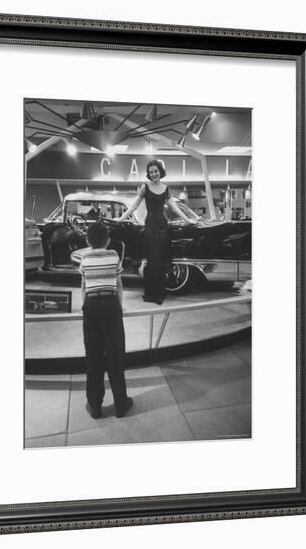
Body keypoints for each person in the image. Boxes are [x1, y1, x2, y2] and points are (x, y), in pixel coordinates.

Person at [117, 159, 192, 304]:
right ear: (148, 174)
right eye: (151, 172)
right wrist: (120, 219)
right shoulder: (144, 187)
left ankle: (160, 293)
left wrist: (188, 220)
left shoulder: (166, 188)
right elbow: (133, 207)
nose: (153, 174)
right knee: (152, 260)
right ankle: (151, 294)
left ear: (160, 171)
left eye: (156, 171)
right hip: (150, 226)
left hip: (163, 227)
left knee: (161, 260)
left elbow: (175, 208)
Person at [79, 222, 133, 419]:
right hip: (110, 305)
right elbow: (118, 284)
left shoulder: (84, 257)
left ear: (87, 240)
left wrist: (86, 308)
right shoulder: (113, 255)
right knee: (115, 355)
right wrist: (119, 306)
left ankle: (95, 406)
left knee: (93, 357)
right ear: (108, 240)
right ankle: (121, 404)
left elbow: (83, 286)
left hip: (92, 306)